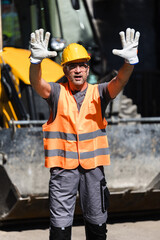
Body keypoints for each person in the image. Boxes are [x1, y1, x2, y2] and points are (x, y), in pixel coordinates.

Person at [29, 28, 140, 240]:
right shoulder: (55, 93)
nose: (78, 70)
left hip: (93, 172)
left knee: (97, 226)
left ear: (88, 69)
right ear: (65, 70)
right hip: (62, 173)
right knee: (60, 230)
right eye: (72, 66)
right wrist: (35, 62)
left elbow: (120, 82)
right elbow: (37, 83)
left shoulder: (99, 93)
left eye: (82, 65)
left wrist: (129, 64)